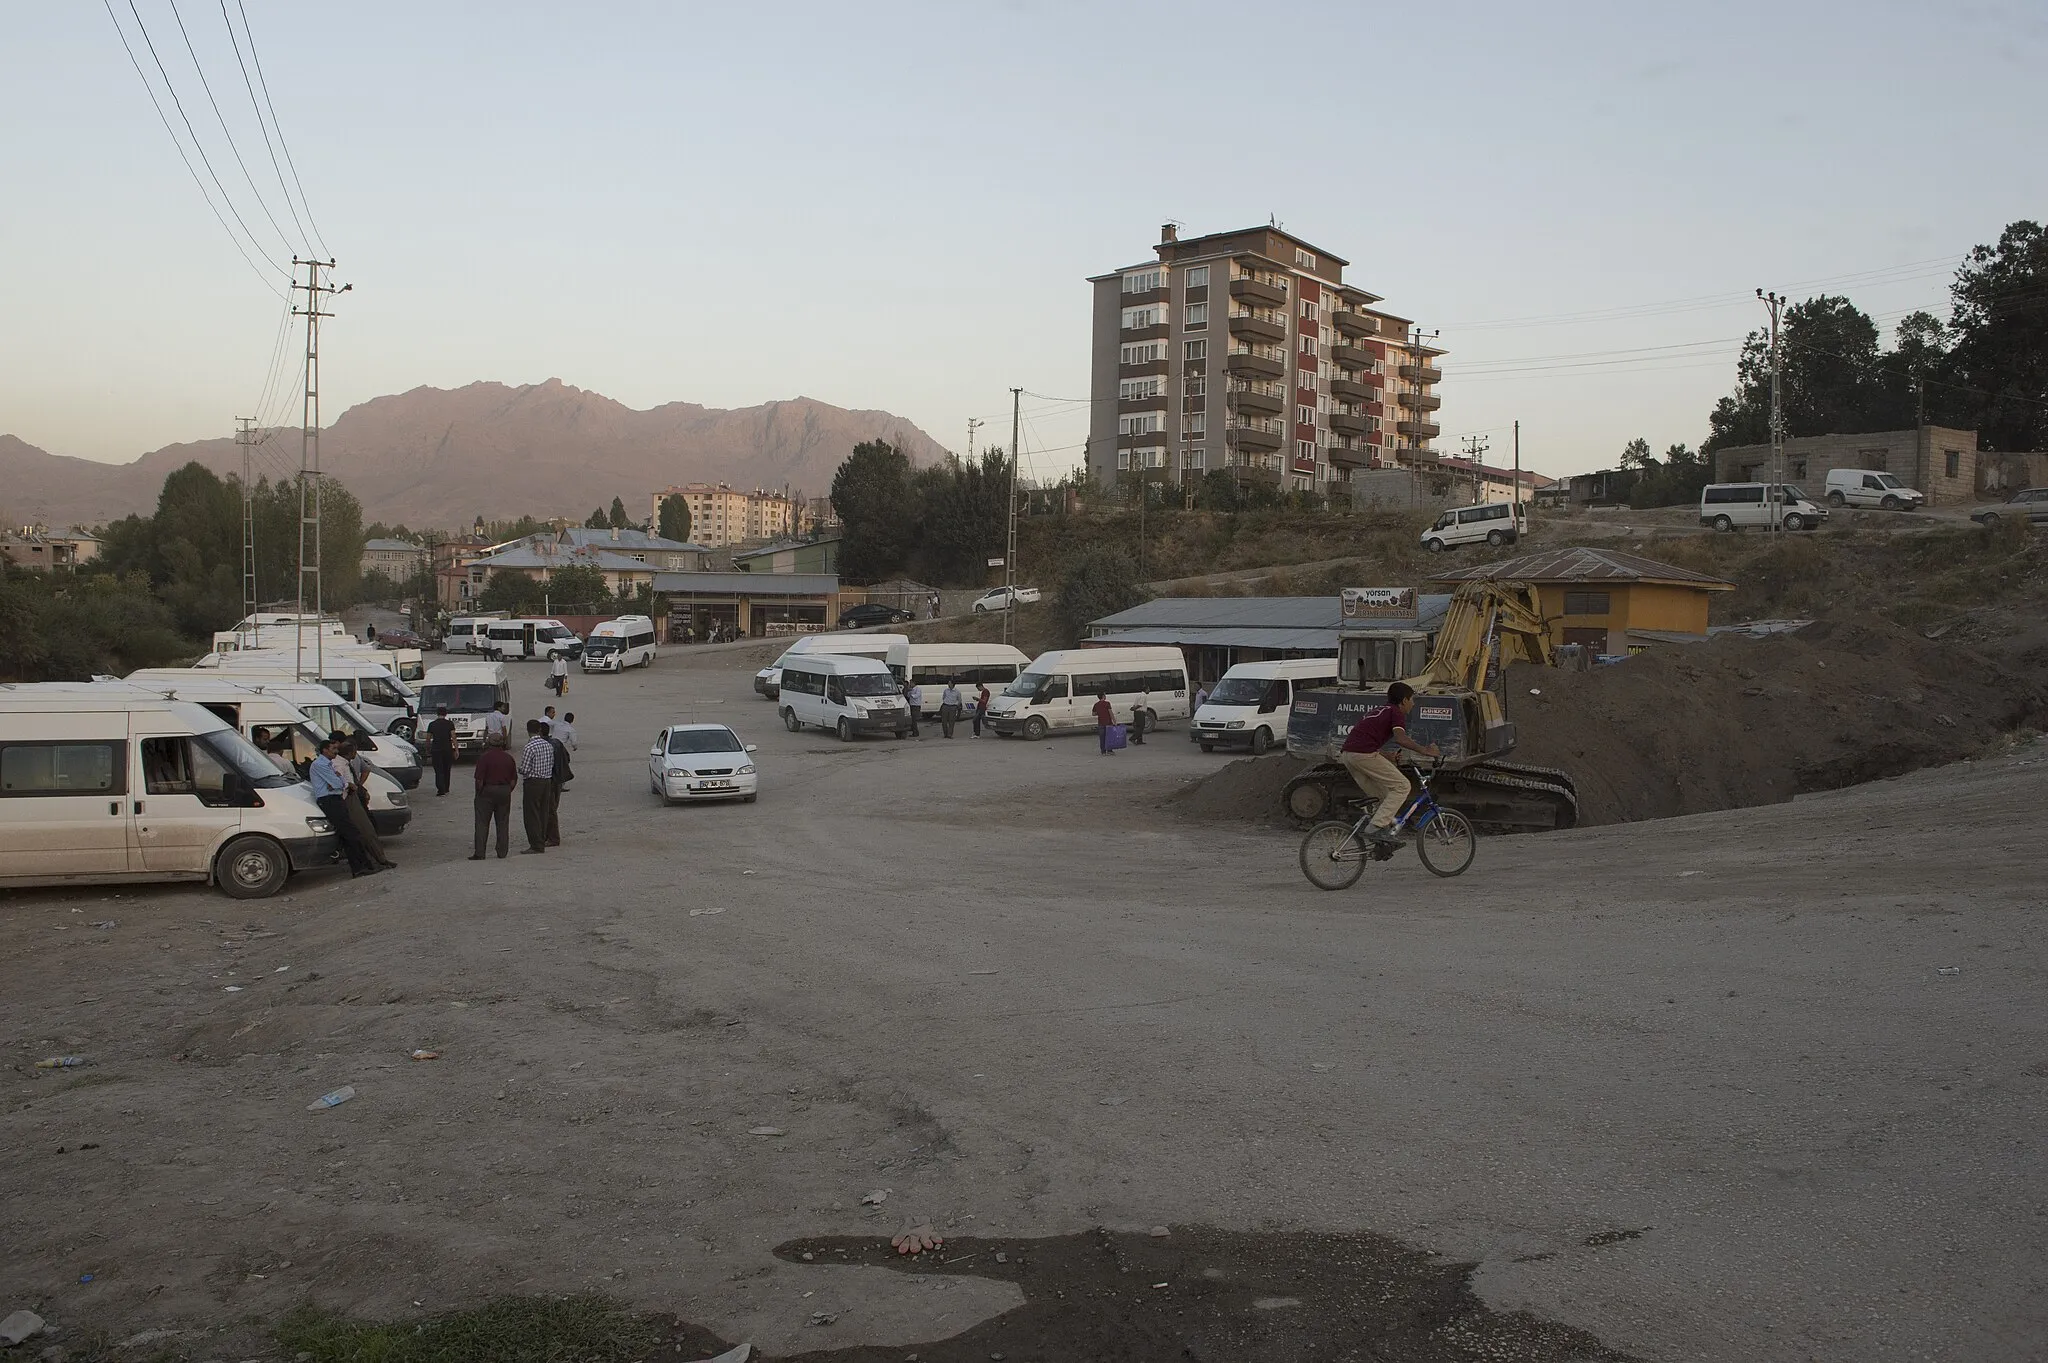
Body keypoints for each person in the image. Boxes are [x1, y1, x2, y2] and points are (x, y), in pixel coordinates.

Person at [1338, 681, 1440, 847]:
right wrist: (1425, 751)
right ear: (1404, 701)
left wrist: (1386, 755)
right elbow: (1400, 738)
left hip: (1349, 755)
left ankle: (1379, 838)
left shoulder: (1381, 710)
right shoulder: (1395, 712)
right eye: (1412, 699)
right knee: (1402, 786)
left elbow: (1364, 739)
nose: (1413, 704)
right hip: (1363, 755)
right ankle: (1376, 828)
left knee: (1384, 795)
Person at [311, 737, 377, 877]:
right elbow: (337, 784)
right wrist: (340, 781)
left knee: (350, 834)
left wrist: (338, 780)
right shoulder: (320, 765)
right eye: (333, 749)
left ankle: (361, 866)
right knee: (351, 833)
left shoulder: (328, 765)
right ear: (324, 750)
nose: (336, 752)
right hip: (329, 800)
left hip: (336, 798)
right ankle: (359, 868)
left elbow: (337, 781)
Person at [338, 739, 396, 869]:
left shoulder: (346, 763)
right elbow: (341, 784)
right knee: (366, 831)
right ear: (351, 752)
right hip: (349, 798)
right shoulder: (339, 765)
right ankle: (378, 860)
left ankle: (376, 859)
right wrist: (351, 786)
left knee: (366, 830)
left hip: (354, 796)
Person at [470, 732, 517, 859]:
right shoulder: (508, 758)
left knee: (482, 822)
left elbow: (479, 780)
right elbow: (513, 780)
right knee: (502, 822)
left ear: (489, 743)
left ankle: (480, 852)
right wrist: (507, 790)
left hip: (487, 791)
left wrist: (479, 793)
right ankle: (502, 851)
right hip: (504, 791)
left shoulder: (484, 758)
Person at [516, 719, 557, 853]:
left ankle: (536, 844)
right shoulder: (547, 745)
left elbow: (525, 769)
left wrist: (520, 769)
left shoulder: (529, 747)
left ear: (528, 730)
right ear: (539, 730)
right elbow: (551, 764)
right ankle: (543, 838)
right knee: (543, 812)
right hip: (546, 781)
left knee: (531, 814)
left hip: (533, 782)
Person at [545, 722, 574, 848]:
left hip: (549, 780)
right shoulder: (557, 743)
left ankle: (552, 837)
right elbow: (567, 758)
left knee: (549, 810)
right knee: (552, 808)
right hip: (558, 781)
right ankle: (549, 836)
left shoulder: (545, 746)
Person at [426, 706, 456, 796]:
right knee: (447, 769)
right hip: (447, 749)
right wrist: (456, 749)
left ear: (437, 713)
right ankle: (446, 788)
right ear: (446, 714)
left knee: (439, 770)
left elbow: (428, 738)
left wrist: (427, 749)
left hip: (436, 749)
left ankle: (440, 789)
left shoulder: (432, 724)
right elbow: (453, 737)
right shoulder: (450, 724)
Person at [1093, 690, 1117, 756]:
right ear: (1103, 696)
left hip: (1100, 723)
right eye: (1105, 695)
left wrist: (1099, 712)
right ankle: (1110, 750)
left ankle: (1103, 752)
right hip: (1108, 723)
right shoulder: (1107, 703)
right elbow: (1111, 713)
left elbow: (1093, 713)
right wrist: (1114, 722)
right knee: (1109, 737)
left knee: (1102, 738)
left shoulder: (1096, 704)